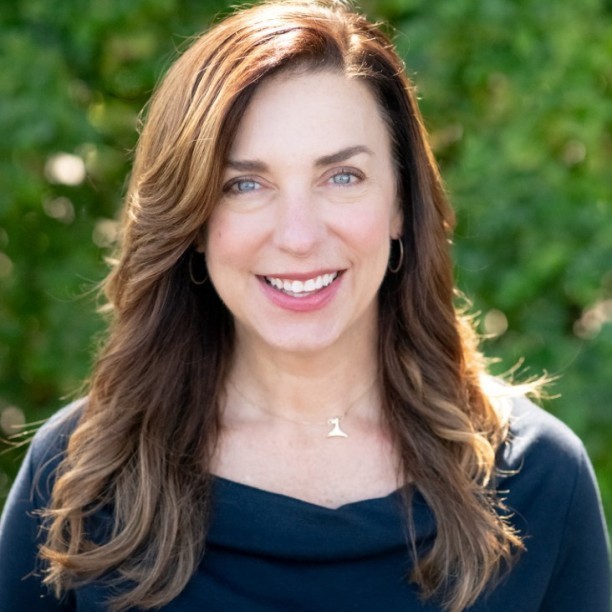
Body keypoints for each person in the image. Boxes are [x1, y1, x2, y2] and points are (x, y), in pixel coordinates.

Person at [0, 1, 609, 610]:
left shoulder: (536, 478)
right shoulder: (81, 475)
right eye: (244, 184)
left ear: (401, 203)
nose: (298, 235)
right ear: (192, 221)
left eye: (341, 176)